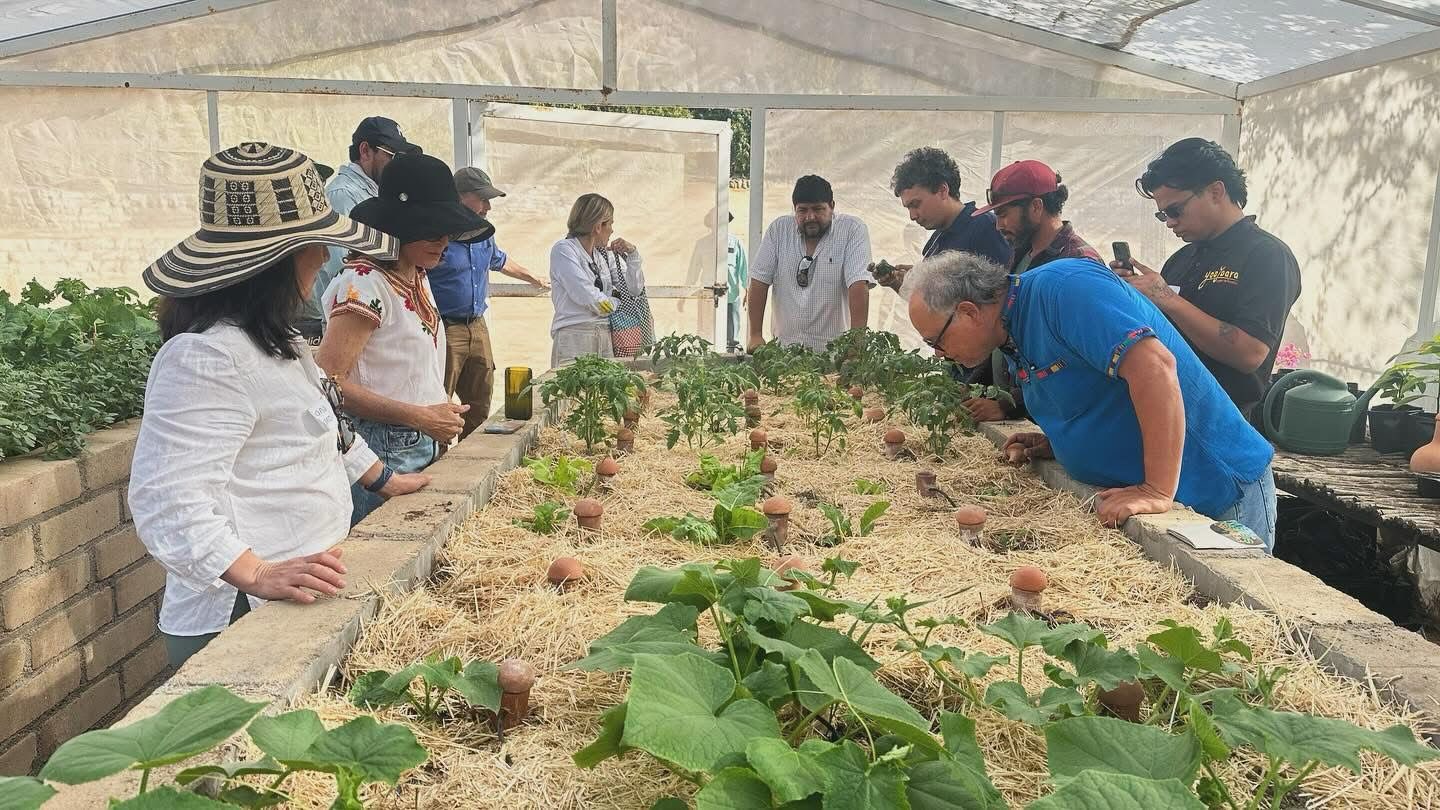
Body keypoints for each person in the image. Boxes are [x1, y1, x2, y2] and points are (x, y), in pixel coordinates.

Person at [129, 143, 432, 667]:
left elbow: (324, 426)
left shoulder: (279, 342)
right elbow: (167, 498)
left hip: (300, 584)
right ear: (277, 261)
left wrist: (383, 479)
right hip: (241, 611)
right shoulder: (205, 358)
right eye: (315, 245)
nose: (323, 258)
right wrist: (256, 572)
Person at [907, 252, 1278, 550]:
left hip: (1216, 490)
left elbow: (1155, 368)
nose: (939, 353)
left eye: (935, 340)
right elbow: (1090, 387)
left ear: (969, 312)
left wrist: (1156, 490)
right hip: (1162, 500)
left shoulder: (1066, 289)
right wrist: (1061, 442)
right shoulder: (1012, 328)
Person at [316, 152, 493, 525]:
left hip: (414, 441)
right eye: (431, 231)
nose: (443, 241)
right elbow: (329, 382)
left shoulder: (416, 273)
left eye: (448, 231)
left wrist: (432, 413)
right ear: (400, 228)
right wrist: (419, 415)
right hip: (382, 449)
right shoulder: (364, 283)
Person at [1114, 138, 1301, 420]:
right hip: (1169, 414)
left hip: (1221, 423)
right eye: (1162, 215)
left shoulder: (1268, 256)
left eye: (1175, 210)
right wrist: (1134, 295)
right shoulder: (1181, 259)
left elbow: (1250, 353)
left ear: (1216, 191)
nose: (1170, 222)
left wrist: (1167, 297)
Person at [957, 160, 1106, 422]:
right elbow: (1005, 332)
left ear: (1036, 206)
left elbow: (1075, 362)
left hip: (1057, 418)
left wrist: (1010, 405)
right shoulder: (1021, 253)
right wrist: (973, 386)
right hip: (1025, 410)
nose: (998, 225)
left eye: (1003, 214)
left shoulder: (1078, 264)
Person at [429, 167, 549, 439]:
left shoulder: (484, 233)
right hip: (445, 327)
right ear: (459, 197)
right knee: (440, 399)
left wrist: (532, 277)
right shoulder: (437, 235)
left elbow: (499, 260)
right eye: (482, 199)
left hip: (477, 324)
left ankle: (472, 451)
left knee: (480, 397)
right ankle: (439, 456)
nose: (488, 207)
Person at [296, 117, 421, 342]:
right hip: (350, 317)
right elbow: (343, 267)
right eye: (393, 156)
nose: (398, 165)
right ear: (365, 151)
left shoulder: (374, 193)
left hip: (369, 312)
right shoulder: (343, 195)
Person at [748, 175, 872, 352]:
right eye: (802, 210)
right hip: (784, 353)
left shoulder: (852, 230)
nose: (810, 217)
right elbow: (759, 281)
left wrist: (855, 345)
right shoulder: (779, 230)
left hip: (835, 354)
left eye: (818, 209)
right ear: (794, 209)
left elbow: (858, 285)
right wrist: (755, 334)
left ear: (832, 206)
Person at [874, 146, 1011, 292]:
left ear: (942, 190)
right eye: (908, 208)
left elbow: (1001, 293)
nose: (912, 216)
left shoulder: (984, 228)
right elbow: (934, 302)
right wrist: (904, 283)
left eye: (916, 204)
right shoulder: (935, 240)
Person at [549, 193, 647, 366]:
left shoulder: (602, 255)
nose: (612, 230)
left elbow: (633, 290)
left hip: (605, 335)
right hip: (575, 336)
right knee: (571, 384)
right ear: (598, 227)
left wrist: (633, 254)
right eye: (610, 224)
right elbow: (588, 297)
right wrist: (616, 301)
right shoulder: (564, 250)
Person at [725, 212, 749, 352]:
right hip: (711, 296)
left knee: (732, 333)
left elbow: (743, 267)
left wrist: (747, 289)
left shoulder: (735, 242)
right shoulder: (707, 243)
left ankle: (732, 354)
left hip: (731, 294)